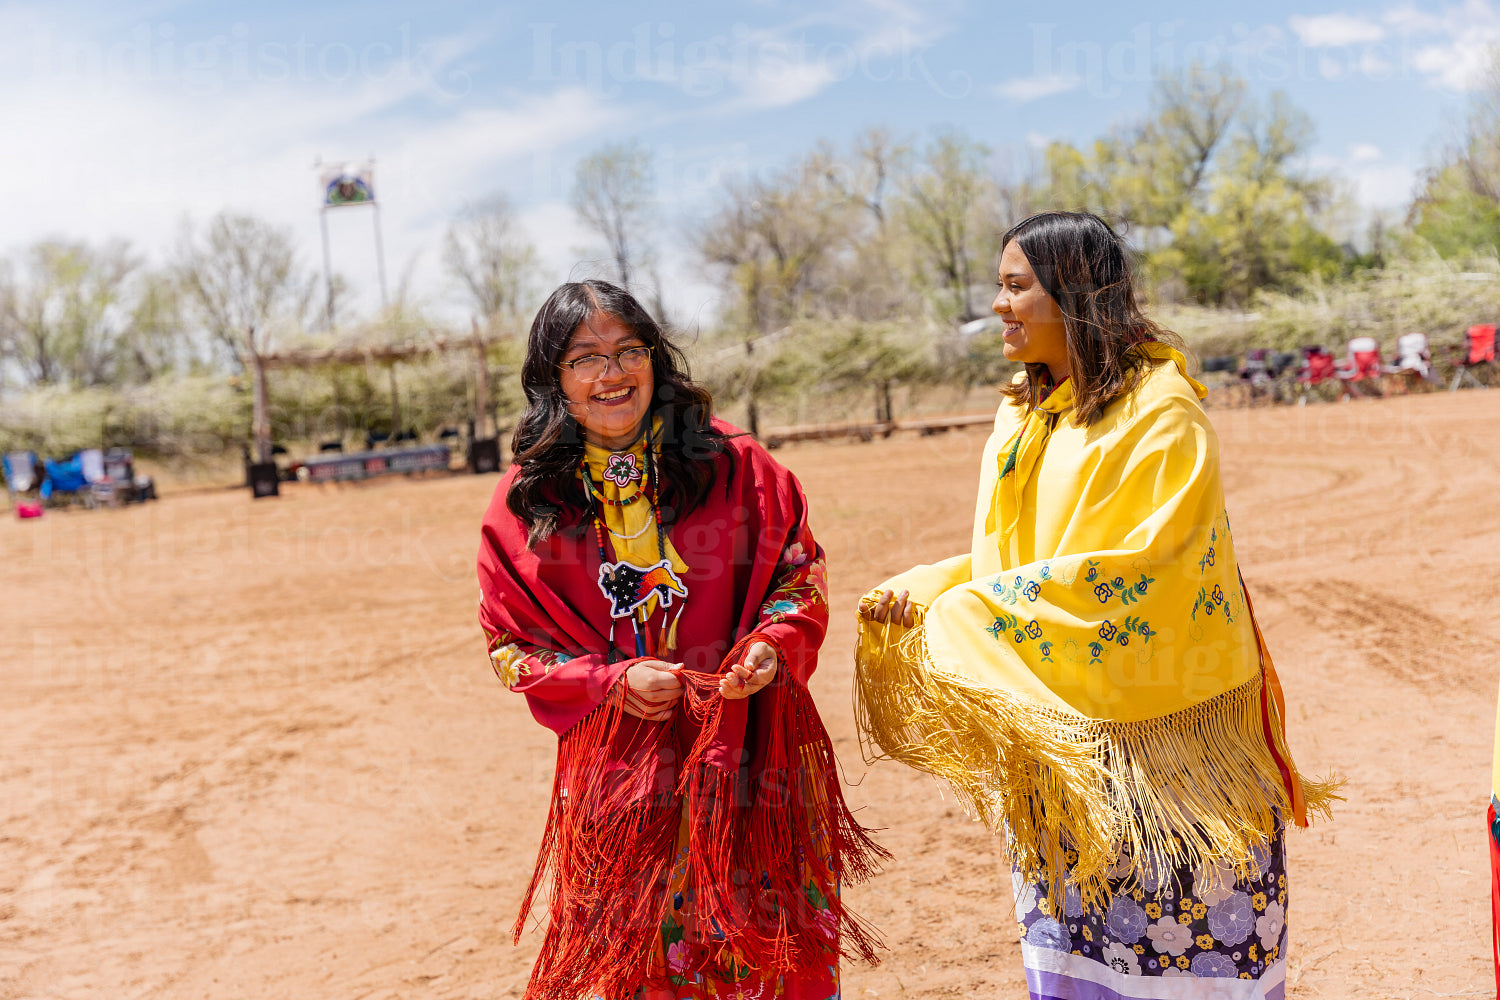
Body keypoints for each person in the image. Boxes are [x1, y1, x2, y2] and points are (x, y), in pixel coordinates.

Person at [855, 212, 1336, 995]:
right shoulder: (1021, 416)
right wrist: (934, 585)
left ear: (1075, 295)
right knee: (1077, 962)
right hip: (1066, 752)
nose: (1000, 306)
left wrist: (972, 610)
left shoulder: (1161, 410)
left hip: (1168, 759)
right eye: (1000, 287)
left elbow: (1151, 569)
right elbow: (1017, 561)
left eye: (1017, 287)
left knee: (1185, 960)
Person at [477, 280, 884, 1000]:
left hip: (750, 754)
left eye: (628, 350)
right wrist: (608, 685)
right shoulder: (528, 502)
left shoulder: (734, 464)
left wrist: (773, 645)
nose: (613, 373)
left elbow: (798, 576)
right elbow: (511, 649)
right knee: (645, 964)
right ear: (553, 380)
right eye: (585, 358)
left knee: (772, 952)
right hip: (622, 778)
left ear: (655, 359)